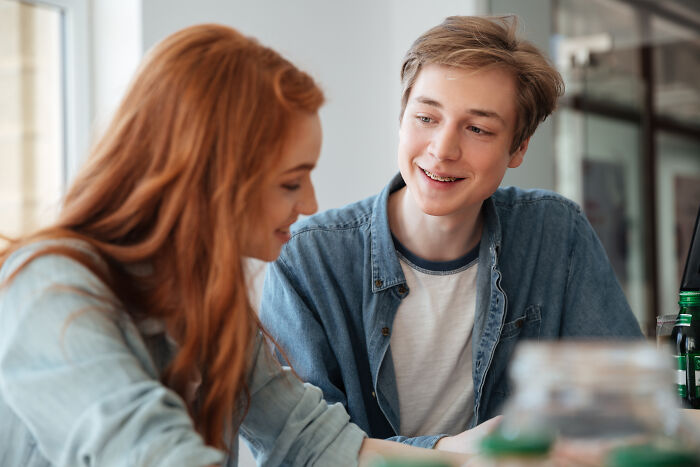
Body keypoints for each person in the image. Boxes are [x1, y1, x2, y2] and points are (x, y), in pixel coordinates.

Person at [0, 24, 473, 466]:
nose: (310, 204)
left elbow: (314, 441)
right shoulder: (51, 293)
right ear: (210, 178)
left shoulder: (205, 294)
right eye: (291, 183)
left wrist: (474, 459)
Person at [259, 15, 644, 451]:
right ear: (401, 118)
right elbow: (297, 451)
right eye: (426, 117)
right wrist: (457, 453)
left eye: (477, 128)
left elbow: (624, 411)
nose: (442, 150)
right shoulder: (307, 258)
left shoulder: (556, 234)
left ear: (518, 148)